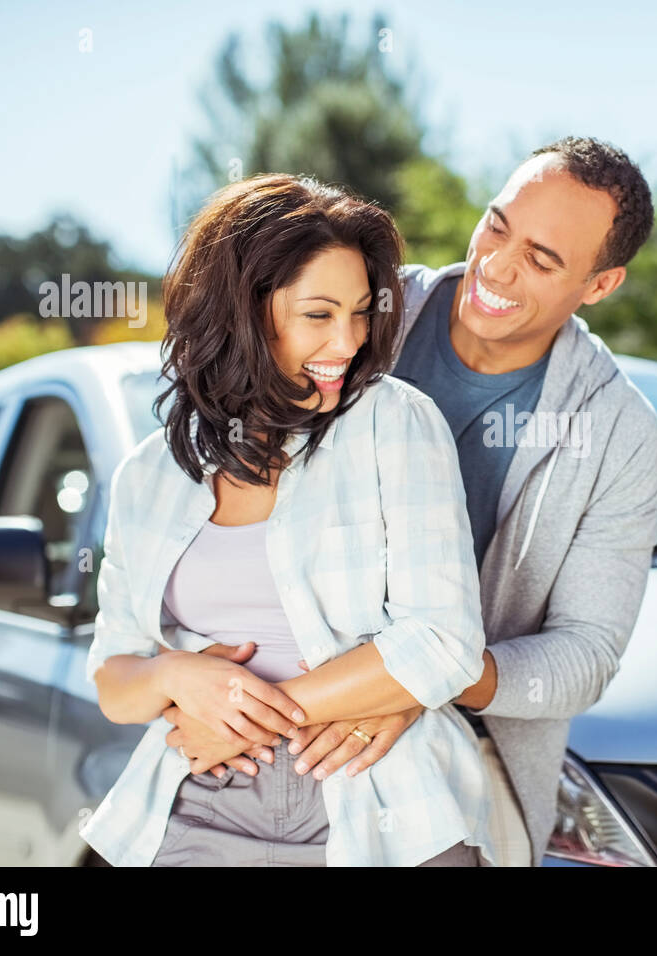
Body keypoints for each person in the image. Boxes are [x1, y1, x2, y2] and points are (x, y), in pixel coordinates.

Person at [164, 136, 657, 866]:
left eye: (542, 259)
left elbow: (585, 653)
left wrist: (421, 679)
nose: (497, 266)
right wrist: (187, 670)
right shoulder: (353, 312)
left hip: (454, 758)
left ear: (600, 284)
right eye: (498, 225)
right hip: (253, 732)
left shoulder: (619, 431)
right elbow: (199, 495)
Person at [80, 173, 495, 867]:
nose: (349, 342)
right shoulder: (148, 476)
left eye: (362, 312)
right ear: (241, 312)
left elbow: (444, 641)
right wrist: (177, 679)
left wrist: (251, 719)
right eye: (319, 314)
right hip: (202, 800)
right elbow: (114, 678)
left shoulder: (393, 423)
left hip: (383, 803)